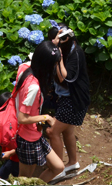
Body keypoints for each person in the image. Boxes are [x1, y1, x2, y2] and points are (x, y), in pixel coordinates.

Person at [15, 40, 65, 182]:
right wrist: (45, 117)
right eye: (54, 64)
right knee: (23, 180)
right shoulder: (34, 88)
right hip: (27, 138)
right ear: (46, 65)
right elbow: (22, 118)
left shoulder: (25, 67)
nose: (55, 67)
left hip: (35, 134)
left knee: (58, 167)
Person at [47, 26, 90, 179]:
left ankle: (58, 169)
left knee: (52, 132)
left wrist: (58, 57)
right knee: (67, 131)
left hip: (74, 100)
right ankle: (72, 163)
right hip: (64, 97)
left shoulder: (75, 53)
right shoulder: (65, 49)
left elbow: (64, 78)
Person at [0, 92, 20, 180]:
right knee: (16, 175)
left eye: (2, 110)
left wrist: (10, 153)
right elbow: (1, 134)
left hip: (17, 158)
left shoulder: (18, 124)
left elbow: (23, 145)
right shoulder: (4, 122)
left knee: (0, 176)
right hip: (9, 156)